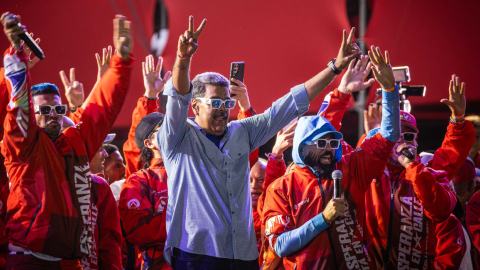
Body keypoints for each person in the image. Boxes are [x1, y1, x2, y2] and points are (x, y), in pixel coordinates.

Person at [159, 15, 361, 269]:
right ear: (196, 106)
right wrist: (183, 59)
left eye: (228, 103)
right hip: (196, 253)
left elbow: (289, 105)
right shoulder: (178, 137)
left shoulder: (241, 132)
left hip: (242, 253)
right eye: (216, 104)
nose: (224, 110)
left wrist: (333, 67)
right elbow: (178, 98)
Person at [1, 12, 133, 269]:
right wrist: (16, 54)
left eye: (59, 110)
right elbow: (18, 109)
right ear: (32, 114)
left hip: (70, 263)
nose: (54, 116)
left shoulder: (75, 142)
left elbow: (101, 109)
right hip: (28, 261)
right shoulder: (23, 147)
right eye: (45, 111)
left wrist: (121, 62)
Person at [321, 66, 475, 268]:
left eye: (409, 136)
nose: (402, 141)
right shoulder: (366, 169)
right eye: (396, 135)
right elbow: (325, 138)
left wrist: (458, 119)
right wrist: (342, 93)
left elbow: (451, 156)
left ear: (417, 142)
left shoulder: (429, 171)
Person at [263, 49, 399, 270]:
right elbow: (279, 245)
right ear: (302, 147)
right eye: (321, 143)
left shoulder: (353, 168)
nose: (329, 149)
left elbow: (389, 136)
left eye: (333, 143)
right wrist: (323, 219)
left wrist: (389, 91)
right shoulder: (281, 188)